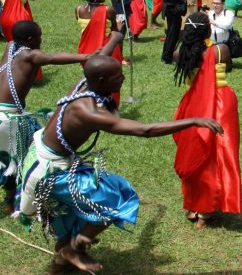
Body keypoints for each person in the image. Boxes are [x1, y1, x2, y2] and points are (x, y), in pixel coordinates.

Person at [17, 47, 223, 273]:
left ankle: (67, 255)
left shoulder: (84, 84)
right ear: (102, 79)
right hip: (50, 171)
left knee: (71, 225)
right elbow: (144, 130)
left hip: (47, 157)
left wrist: (117, 32)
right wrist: (193, 120)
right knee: (118, 198)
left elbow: (100, 56)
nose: (123, 77)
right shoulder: (90, 111)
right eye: (118, 76)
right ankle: (74, 249)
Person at [0, 21, 108, 212]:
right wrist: (87, 56)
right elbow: (51, 57)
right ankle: (14, 202)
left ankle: (15, 199)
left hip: (6, 114)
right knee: (14, 160)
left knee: (8, 159)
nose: (41, 39)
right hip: (6, 119)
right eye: (40, 35)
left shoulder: (11, 46)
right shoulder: (29, 55)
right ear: (31, 39)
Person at [172, 12, 241, 229]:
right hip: (221, 105)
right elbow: (226, 66)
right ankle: (207, 211)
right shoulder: (221, 50)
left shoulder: (178, 54)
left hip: (194, 106)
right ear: (208, 31)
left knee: (195, 152)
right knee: (219, 154)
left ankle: (194, 206)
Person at [76, 0, 123, 102]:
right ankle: (109, 104)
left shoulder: (78, 9)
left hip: (85, 48)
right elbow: (115, 30)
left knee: (92, 78)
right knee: (109, 78)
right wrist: (119, 25)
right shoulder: (108, 9)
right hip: (106, 47)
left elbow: (85, 28)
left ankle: (90, 101)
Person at [161, 0, 187, 65]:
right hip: (173, 11)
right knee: (172, 34)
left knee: (173, 34)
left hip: (174, 10)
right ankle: (167, 57)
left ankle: (167, 55)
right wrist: (177, 9)